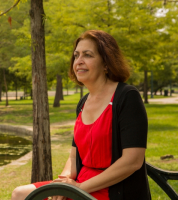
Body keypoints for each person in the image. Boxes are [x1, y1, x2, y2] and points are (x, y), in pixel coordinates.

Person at [11, 30, 151, 200]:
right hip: (80, 183)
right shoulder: (83, 103)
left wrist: (78, 189)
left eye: (88, 55)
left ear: (106, 63)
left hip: (109, 188)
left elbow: (132, 161)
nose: (79, 61)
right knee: (20, 194)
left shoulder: (127, 96)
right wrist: (62, 182)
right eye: (76, 55)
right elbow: (73, 156)